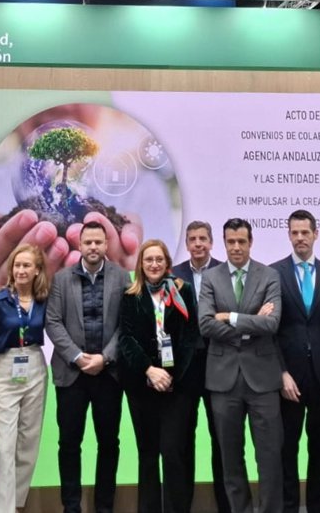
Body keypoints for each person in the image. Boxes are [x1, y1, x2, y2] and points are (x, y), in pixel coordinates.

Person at [45, 220, 131, 513]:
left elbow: (127, 323)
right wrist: (77, 357)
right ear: (79, 245)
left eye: (98, 242)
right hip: (72, 375)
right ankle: (71, 506)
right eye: (88, 242)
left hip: (109, 374)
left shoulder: (122, 277)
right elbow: (52, 321)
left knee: (108, 443)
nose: (93, 247)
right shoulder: (60, 279)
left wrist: (104, 357)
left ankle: (104, 507)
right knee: (69, 444)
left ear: (106, 245)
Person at [198, 218, 282, 513]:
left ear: (251, 242)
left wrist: (230, 318)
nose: (236, 247)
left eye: (241, 241)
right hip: (223, 380)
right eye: (231, 242)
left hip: (263, 379)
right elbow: (205, 324)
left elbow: (272, 323)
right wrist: (251, 324)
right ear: (224, 243)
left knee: (270, 456)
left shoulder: (269, 275)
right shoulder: (211, 277)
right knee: (230, 457)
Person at [270, 209, 320, 513]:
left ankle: (317, 507)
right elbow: (271, 331)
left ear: (316, 234)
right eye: (295, 233)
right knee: (287, 449)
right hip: (289, 379)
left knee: (319, 450)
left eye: (305, 232)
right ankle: (289, 507)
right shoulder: (274, 273)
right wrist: (281, 373)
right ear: (289, 235)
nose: (300, 238)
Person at [119, 239, 199, 513]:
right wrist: (149, 370)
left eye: (159, 259)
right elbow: (126, 338)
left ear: (167, 263)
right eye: (148, 260)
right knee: (148, 453)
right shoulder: (130, 295)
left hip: (177, 387)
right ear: (141, 264)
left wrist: (170, 376)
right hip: (141, 386)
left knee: (174, 452)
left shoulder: (182, 291)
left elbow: (190, 336)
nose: (154, 264)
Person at [0, 244, 51, 513]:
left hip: (34, 364)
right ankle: (3, 509)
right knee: (5, 446)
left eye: (26, 266)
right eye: (17, 265)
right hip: (5, 367)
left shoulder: (44, 301)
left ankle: (17, 503)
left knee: (28, 442)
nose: (20, 270)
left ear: (37, 271)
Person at [170, 220, 229, 513]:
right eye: (192, 239)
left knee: (222, 439)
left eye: (202, 238)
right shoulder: (173, 275)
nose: (197, 244)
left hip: (219, 362)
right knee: (182, 439)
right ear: (187, 243)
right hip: (184, 368)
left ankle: (227, 506)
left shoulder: (224, 272)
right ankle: (182, 506)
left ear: (211, 242)